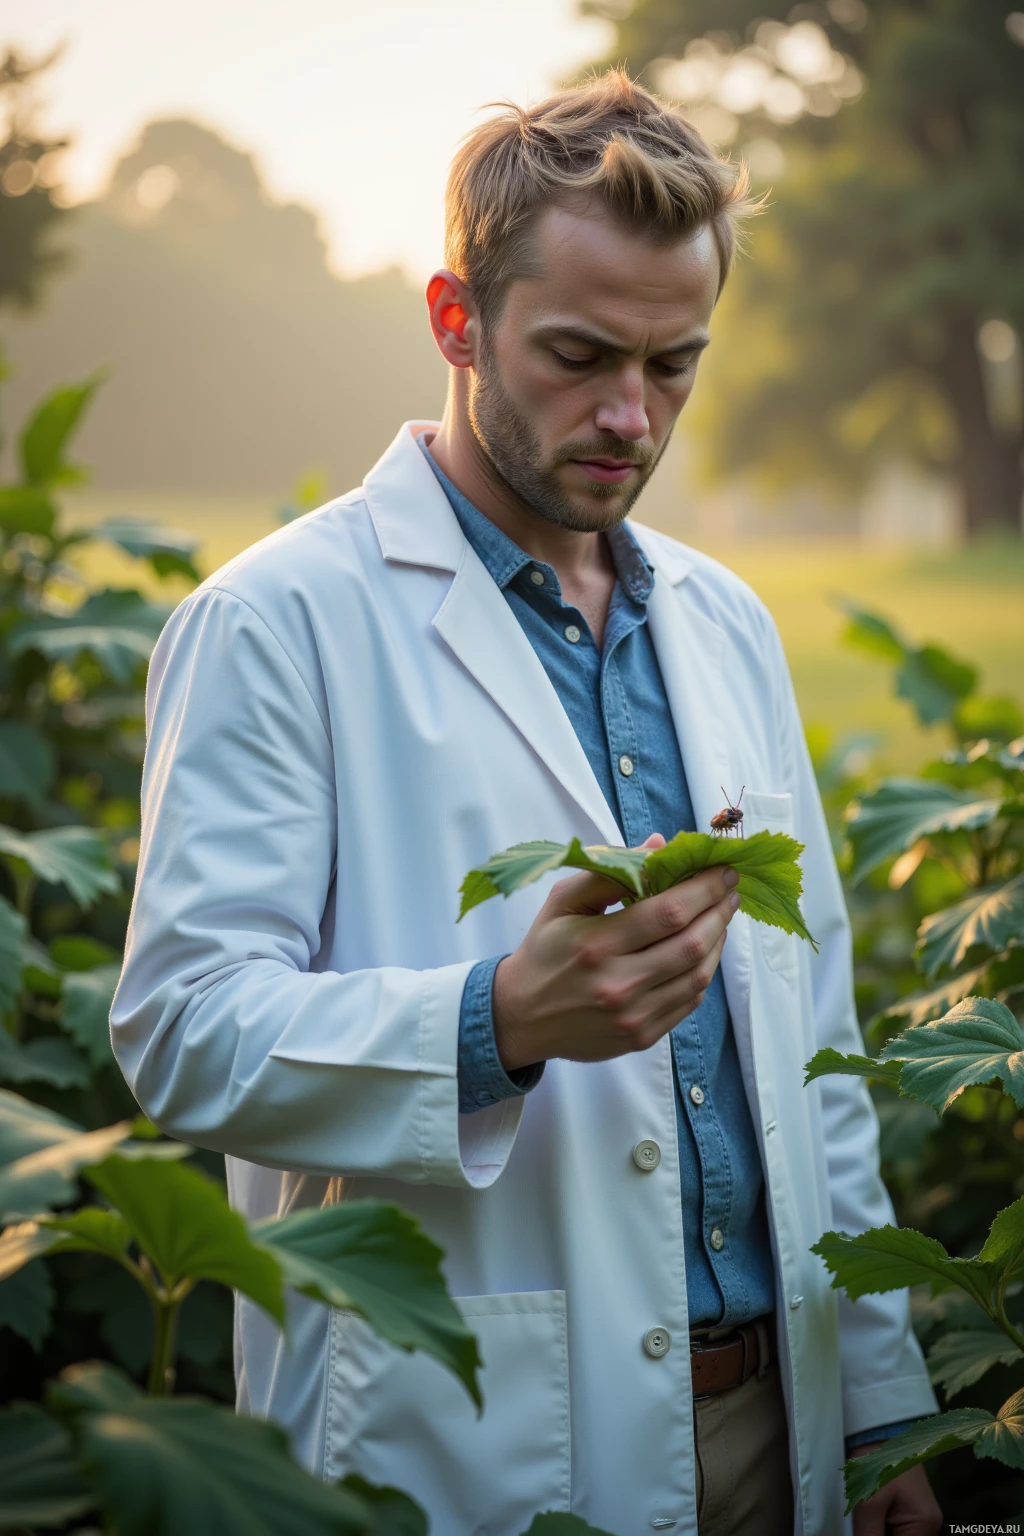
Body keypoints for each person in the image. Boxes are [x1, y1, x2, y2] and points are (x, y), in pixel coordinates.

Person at [111, 71, 942, 1536]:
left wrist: (880, 1406)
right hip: (474, 1442)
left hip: (783, 1429)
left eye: (675, 364)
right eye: (579, 355)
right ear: (454, 319)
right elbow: (179, 1031)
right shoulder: (274, 624)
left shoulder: (729, 624)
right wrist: (491, 1025)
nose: (632, 415)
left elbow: (817, 1047)